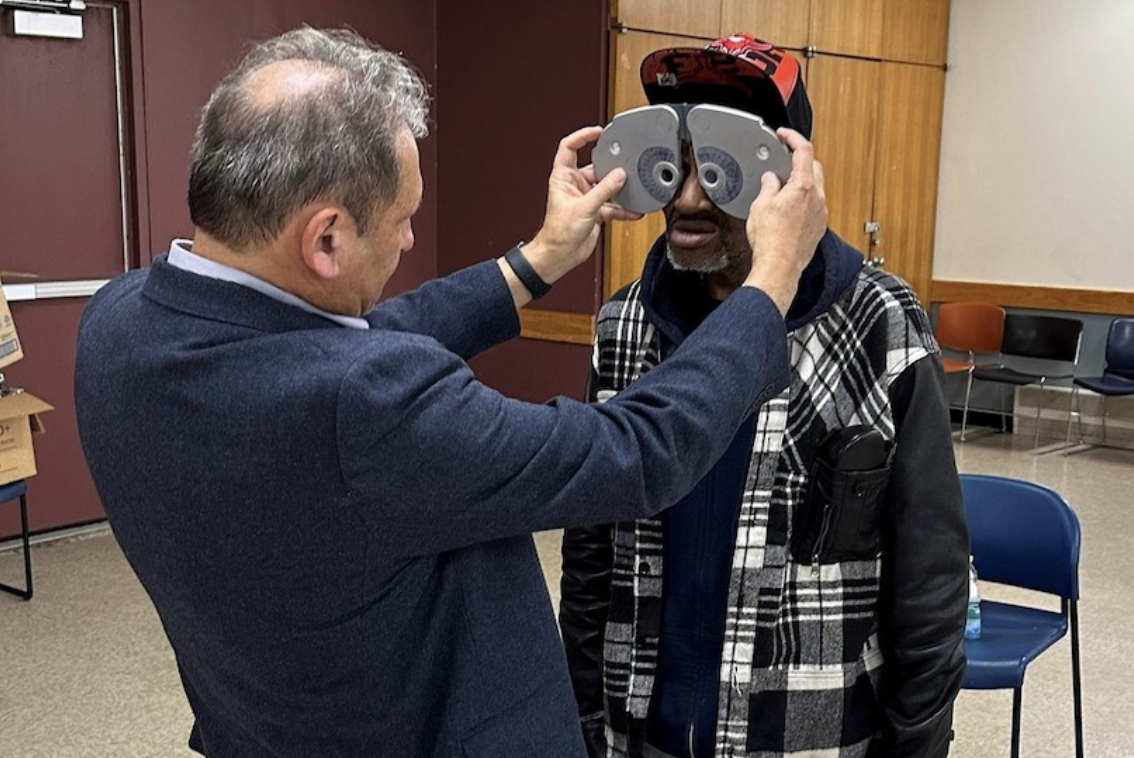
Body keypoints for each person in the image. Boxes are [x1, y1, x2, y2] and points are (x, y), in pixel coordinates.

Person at [73, 26, 828, 758]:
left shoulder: (118, 322)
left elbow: (352, 340)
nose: (408, 241)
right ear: (327, 239)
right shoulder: (366, 404)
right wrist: (771, 284)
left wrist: (536, 261)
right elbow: (636, 453)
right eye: (402, 221)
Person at [559, 33, 969, 758]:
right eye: (675, 166)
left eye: (722, 172)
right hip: (641, 732)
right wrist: (583, 726)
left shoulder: (880, 323)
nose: (688, 199)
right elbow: (593, 553)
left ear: (790, 179)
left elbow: (929, 582)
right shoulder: (625, 326)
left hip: (806, 737)